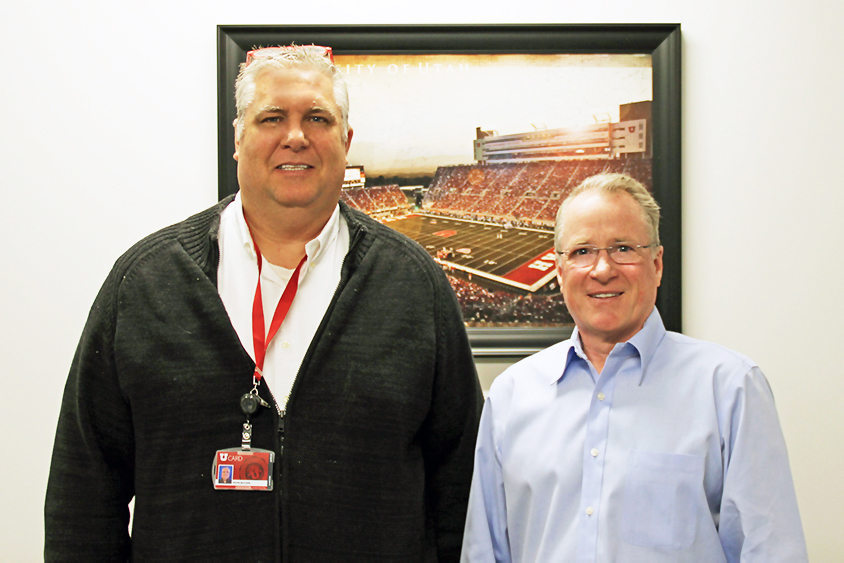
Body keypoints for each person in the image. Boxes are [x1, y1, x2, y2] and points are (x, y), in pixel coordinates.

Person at [45, 45, 482, 561]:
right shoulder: (144, 283)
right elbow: (84, 495)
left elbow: (462, 492)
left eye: (317, 118)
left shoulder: (414, 286)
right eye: (272, 117)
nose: (295, 136)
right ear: (238, 138)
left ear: (346, 140)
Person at [461, 173, 807, 562]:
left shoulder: (729, 389)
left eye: (623, 248)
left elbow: (771, 551)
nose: (603, 269)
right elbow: (484, 552)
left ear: (656, 264)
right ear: (559, 271)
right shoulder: (512, 395)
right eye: (582, 251)